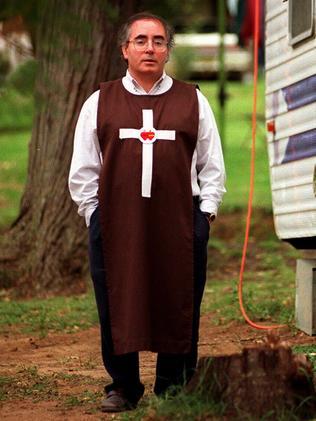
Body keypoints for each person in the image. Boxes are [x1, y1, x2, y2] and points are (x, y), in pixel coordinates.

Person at [69, 12, 226, 413]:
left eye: (158, 41)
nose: (150, 48)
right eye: (141, 40)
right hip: (116, 222)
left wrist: (204, 215)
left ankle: (174, 384)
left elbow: (212, 164)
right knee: (118, 298)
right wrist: (94, 215)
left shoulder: (192, 99)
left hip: (178, 221)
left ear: (167, 51)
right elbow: (84, 168)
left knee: (178, 297)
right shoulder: (100, 101)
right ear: (125, 50)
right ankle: (123, 385)